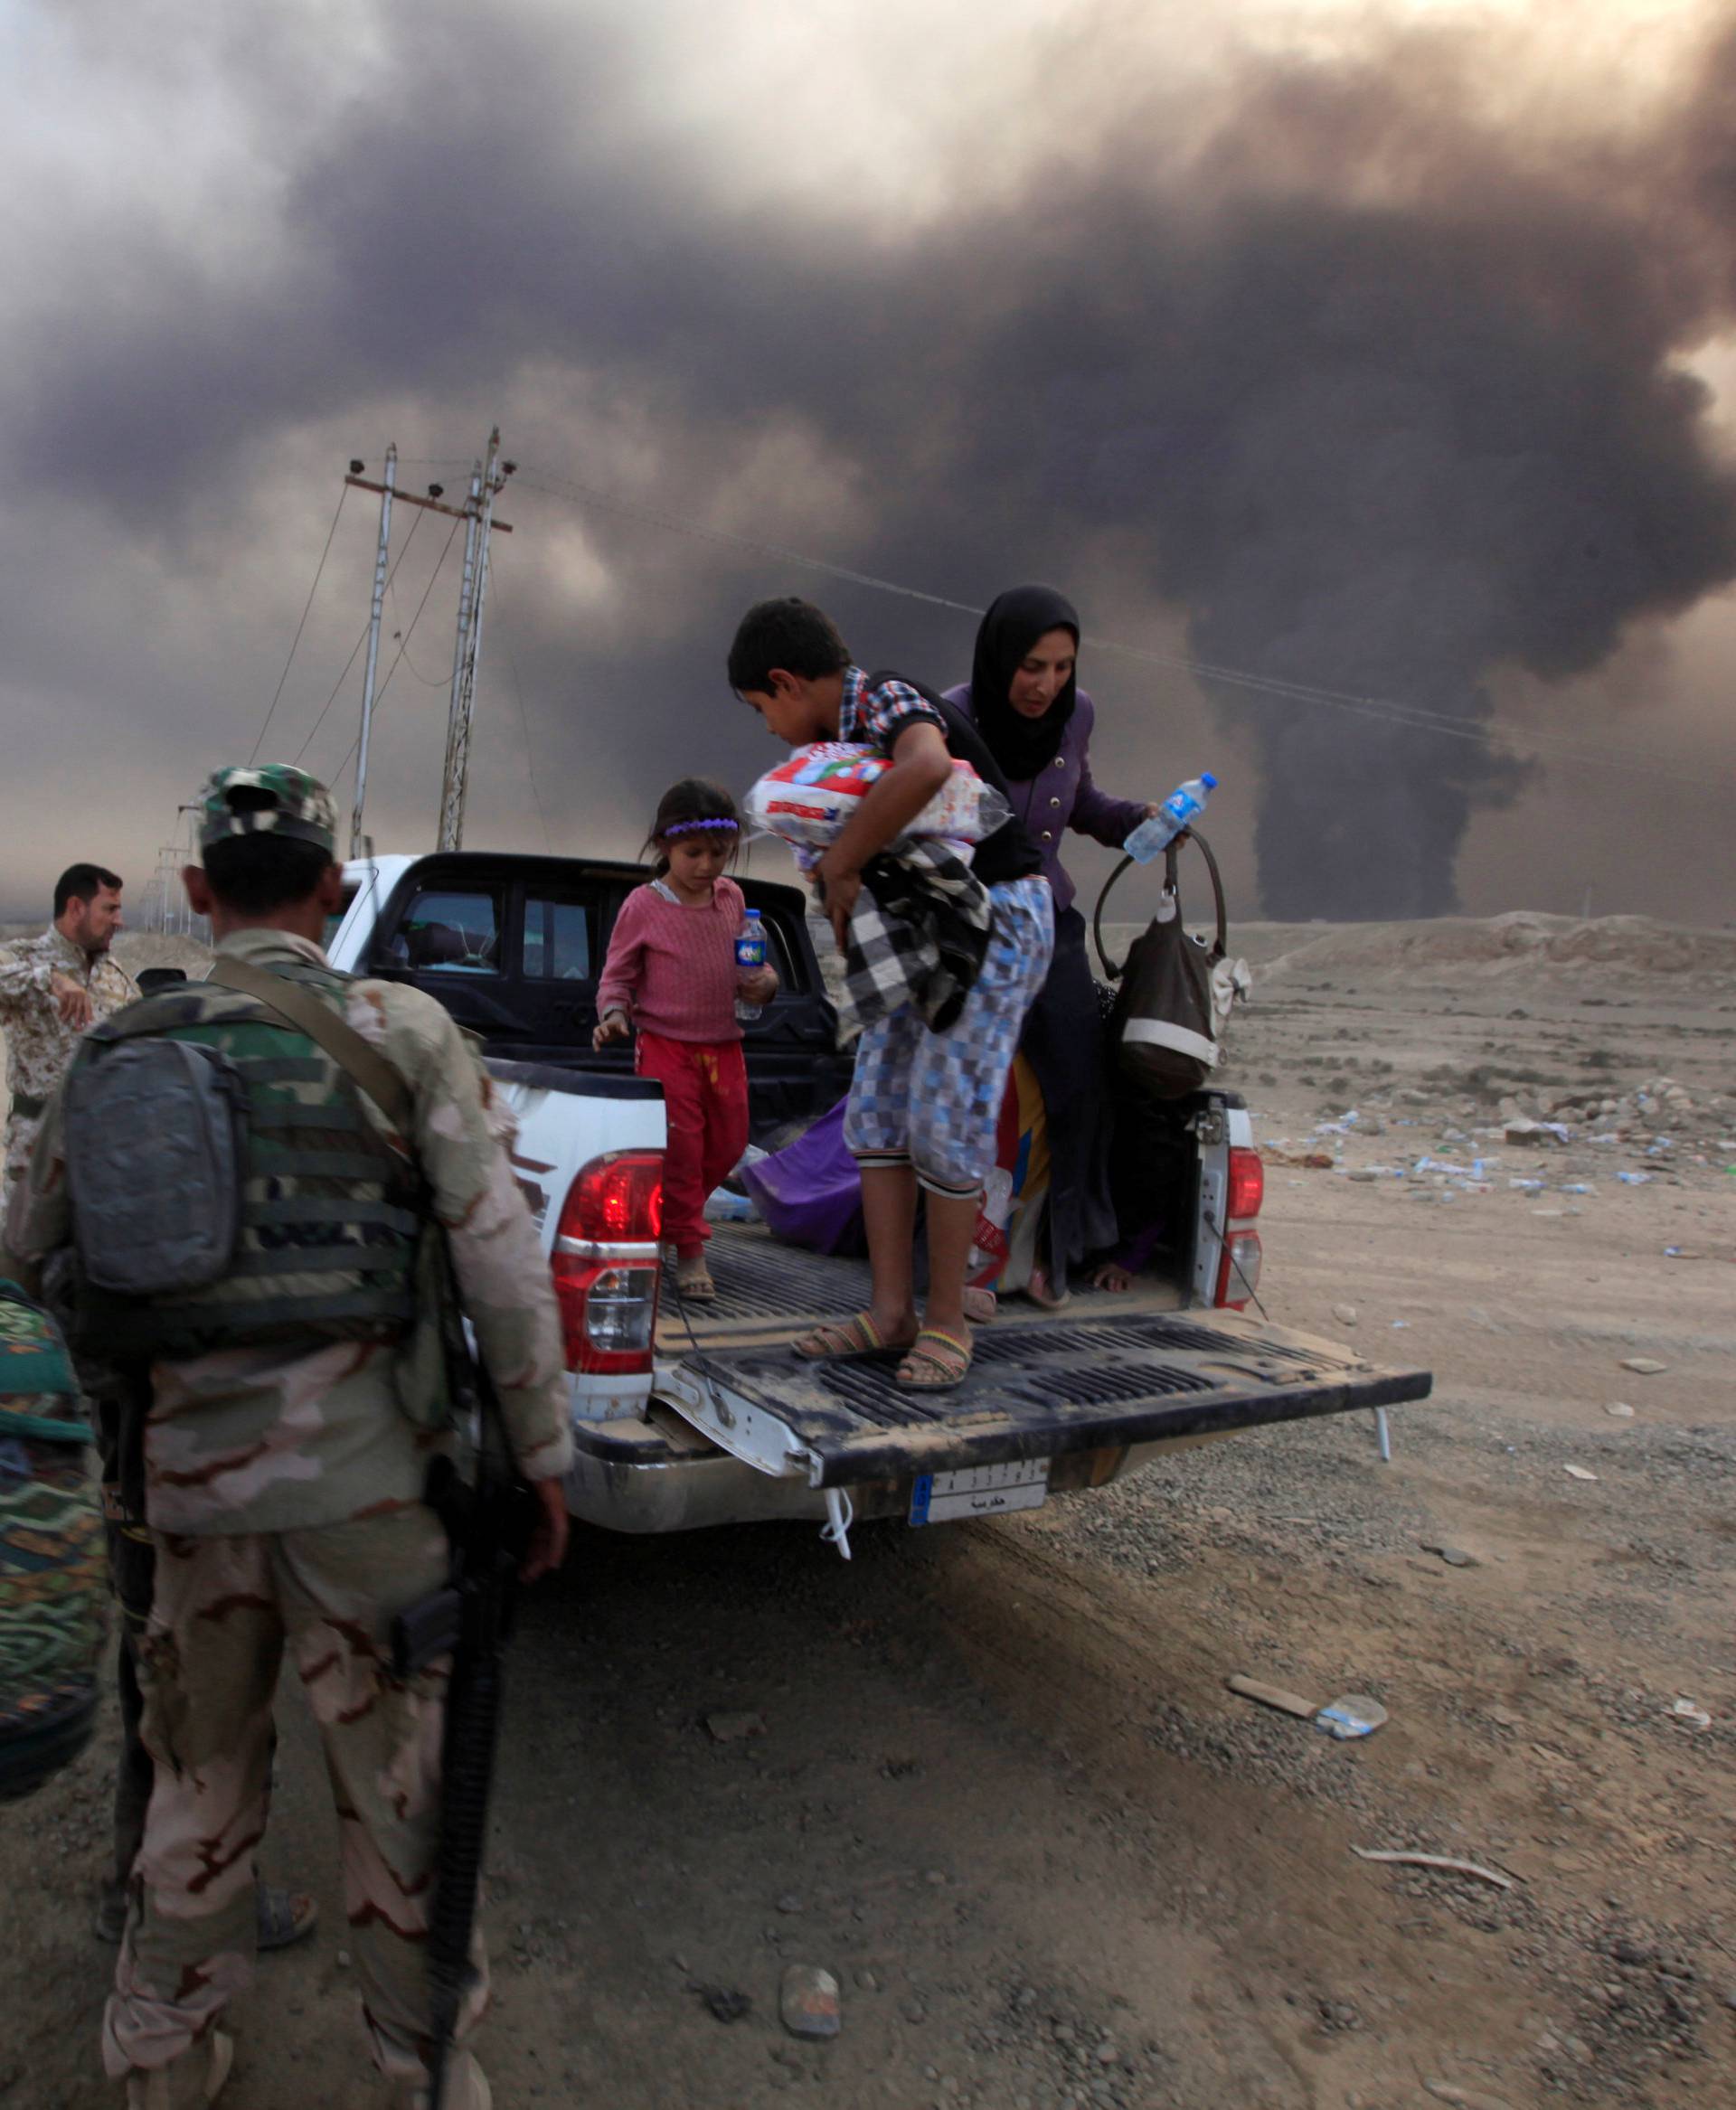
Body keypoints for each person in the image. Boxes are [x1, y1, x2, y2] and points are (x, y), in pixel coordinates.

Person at [16, 765, 573, 2110]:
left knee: (196, 1778)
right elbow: (501, 1265)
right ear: (334, 889)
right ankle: (422, 2063)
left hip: (191, 1496)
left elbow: (32, 1260)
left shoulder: (117, 1047)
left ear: (197, 890)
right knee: (400, 1792)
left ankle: (161, 2055)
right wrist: (544, 1458)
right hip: (375, 1505)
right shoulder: (408, 1029)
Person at [729, 597, 1053, 1389]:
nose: (770, 728)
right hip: (922, 932)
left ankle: (945, 1322)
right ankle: (890, 1312)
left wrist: (842, 862)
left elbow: (929, 767)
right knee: (876, 1113)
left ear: (786, 682)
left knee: (945, 1119)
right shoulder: (836, 750)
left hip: (994, 923)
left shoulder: (884, 696)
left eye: (762, 708)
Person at [945, 587, 1155, 1303]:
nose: (1047, 685)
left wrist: (1140, 819)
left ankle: (1051, 1257)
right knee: (978, 1099)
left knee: (1081, 1089)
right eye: (1032, 666)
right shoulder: (948, 717)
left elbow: (1083, 805)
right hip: (972, 928)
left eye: (1063, 667)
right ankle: (959, 1264)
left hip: (1052, 924)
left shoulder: (1077, 714)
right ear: (1001, 657)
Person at [592, 777, 778, 1300]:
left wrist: (766, 985)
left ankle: (669, 1224)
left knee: (729, 1142)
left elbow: (753, 967)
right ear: (663, 847)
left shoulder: (732, 898)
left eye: (719, 854)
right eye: (693, 853)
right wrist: (613, 1014)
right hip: (666, 1047)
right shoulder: (642, 907)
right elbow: (617, 977)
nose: (707, 865)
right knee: (682, 1149)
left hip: (724, 1046)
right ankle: (690, 1250)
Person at [0, 864, 137, 1271]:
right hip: (37, 1164)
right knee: (22, 1284)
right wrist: (51, 981)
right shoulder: (24, 961)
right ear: (76, 907)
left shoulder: (117, 979)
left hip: (102, 1163)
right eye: (109, 909)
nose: (119, 921)